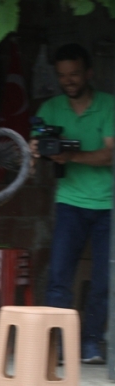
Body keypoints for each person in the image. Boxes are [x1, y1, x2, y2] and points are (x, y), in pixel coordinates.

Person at [30, 43, 115, 364]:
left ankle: (91, 343)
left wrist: (70, 157)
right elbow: (36, 145)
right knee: (59, 277)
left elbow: (110, 153)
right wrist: (35, 151)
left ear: (88, 73)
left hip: (108, 205)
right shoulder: (50, 109)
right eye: (63, 76)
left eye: (75, 74)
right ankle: (58, 347)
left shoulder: (109, 105)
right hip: (69, 202)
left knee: (104, 281)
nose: (69, 81)